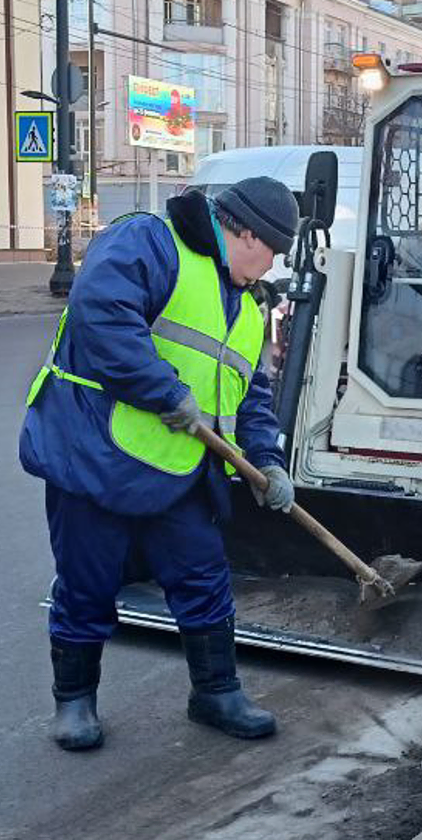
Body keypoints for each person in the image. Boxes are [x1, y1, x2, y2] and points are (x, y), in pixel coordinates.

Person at [20, 178, 301, 752]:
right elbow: (102, 314)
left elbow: (250, 396)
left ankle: (215, 693)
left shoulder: (248, 308)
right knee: (87, 581)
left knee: (203, 580)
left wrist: (268, 461)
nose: (272, 267)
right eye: (273, 252)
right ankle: (74, 704)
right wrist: (161, 390)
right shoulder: (150, 242)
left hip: (181, 473)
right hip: (98, 456)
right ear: (245, 233)